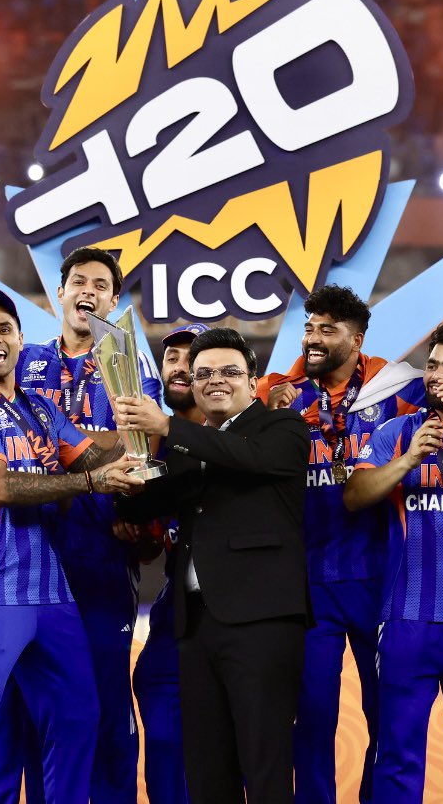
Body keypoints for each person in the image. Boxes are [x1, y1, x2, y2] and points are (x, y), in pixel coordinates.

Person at [0, 286, 145, 804]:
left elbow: (92, 455)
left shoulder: (39, 406)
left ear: (22, 340)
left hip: (50, 592)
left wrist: (150, 426)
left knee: (78, 716)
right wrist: (91, 483)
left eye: (4, 328)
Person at [113, 328, 311, 804]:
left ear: (253, 380)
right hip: (196, 624)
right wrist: (130, 464)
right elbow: (144, 504)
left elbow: (248, 458)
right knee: (206, 769)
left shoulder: (283, 428)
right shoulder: (189, 445)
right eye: (203, 374)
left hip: (261, 622)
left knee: (264, 766)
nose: (214, 380)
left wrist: (168, 427)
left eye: (228, 371)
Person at [255, 285, 424, 804]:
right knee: (311, 719)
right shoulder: (278, 393)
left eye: (327, 330)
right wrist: (266, 416)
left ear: (357, 340)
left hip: (383, 582)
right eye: (309, 328)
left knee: (387, 717)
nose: (313, 338)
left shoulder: (398, 388)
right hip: (308, 585)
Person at [18, 246, 160, 804]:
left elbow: (140, 448)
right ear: (60, 293)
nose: (88, 291)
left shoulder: (131, 366)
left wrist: (52, 439)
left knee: (106, 701)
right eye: (78, 281)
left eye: (101, 285)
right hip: (30, 555)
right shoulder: (25, 359)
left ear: (113, 300)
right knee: (38, 708)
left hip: (101, 553)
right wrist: (95, 446)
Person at [342, 323, 443, 804]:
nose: (436, 374)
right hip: (405, 620)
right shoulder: (396, 432)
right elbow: (354, 496)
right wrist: (407, 461)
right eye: (433, 364)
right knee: (398, 756)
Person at [125, 322, 208, 804]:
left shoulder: (238, 436)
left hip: (234, 629)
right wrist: (137, 532)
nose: (179, 366)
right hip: (173, 624)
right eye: (171, 357)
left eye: (191, 357)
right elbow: (152, 545)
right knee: (163, 744)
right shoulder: (148, 448)